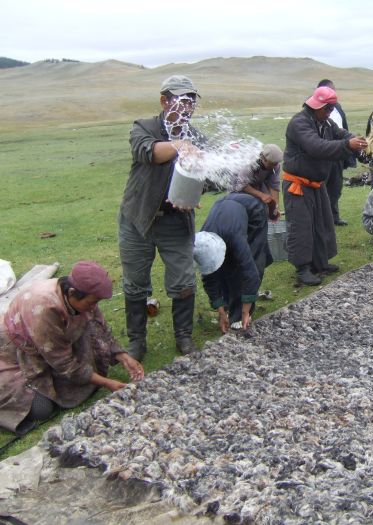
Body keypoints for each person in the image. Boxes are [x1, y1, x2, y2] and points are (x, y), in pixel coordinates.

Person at [118, 75, 206, 361]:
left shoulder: (197, 137)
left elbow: (208, 178)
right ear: (164, 101)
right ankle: (136, 341)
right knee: (135, 282)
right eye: (181, 100)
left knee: (183, 281)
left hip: (175, 222)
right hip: (138, 218)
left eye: (191, 101)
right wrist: (179, 146)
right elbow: (149, 152)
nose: (186, 107)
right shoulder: (144, 127)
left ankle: (183, 336)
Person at [0, 261, 144, 434]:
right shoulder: (43, 309)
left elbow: (100, 327)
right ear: (72, 293)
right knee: (41, 409)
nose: (94, 306)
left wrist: (122, 356)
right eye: (92, 302)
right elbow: (63, 363)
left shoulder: (80, 297)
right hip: (16, 354)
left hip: (52, 345)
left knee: (87, 374)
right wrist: (107, 383)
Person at [283, 86, 368, 286]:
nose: (330, 113)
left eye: (331, 109)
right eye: (327, 109)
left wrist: (355, 143)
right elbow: (316, 147)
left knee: (322, 223)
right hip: (298, 184)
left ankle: (320, 263)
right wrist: (347, 146)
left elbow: (342, 134)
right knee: (301, 227)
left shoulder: (326, 122)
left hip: (316, 182)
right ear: (317, 106)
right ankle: (303, 269)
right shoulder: (299, 123)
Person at [194, 193, 272, 333]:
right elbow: (209, 276)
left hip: (253, 210)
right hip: (226, 208)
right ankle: (229, 307)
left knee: (250, 260)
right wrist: (221, 310)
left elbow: (250, 273)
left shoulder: (234, 237)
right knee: (225, 268)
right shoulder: (202, 242)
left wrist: (245, 312)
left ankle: (242, 312)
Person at [318, 79, 356, 226]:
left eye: (334, 90)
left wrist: (351, 142)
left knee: (336, 186)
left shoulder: (337, 106)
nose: (334, 93)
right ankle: (323, 218)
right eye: (330, 90)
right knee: (323, 187)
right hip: (325, 153)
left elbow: (341, 127)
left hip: (339, 151)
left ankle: (334, 216)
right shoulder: (315, 108)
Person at [231, 143, 283, 221]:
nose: (275, 166)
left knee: (264, 207)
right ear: (264, 160)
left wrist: (275, 208)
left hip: (258, 183)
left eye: (276, 164)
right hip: (238, 186)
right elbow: (242, 185)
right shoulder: (250, 164)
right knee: (242, 211)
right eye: (272, 164)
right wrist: (261, 195)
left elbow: (274, 185)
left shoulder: (275, 165)